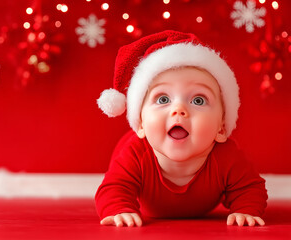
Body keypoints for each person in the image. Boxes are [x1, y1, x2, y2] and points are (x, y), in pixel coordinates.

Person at [95, 30, 268, 227]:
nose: (179, 110)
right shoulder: (135, 154)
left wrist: (245, 210)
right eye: (163, 99)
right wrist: (120, 209)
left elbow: (250, 188)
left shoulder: (226, 156)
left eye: (198, 100)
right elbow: (114, 187)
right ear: (140, 124)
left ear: (221, 128)